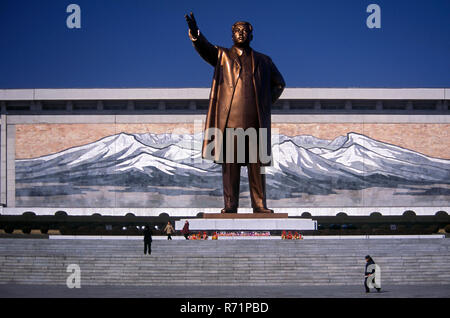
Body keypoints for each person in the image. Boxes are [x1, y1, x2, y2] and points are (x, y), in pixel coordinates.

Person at [185, 13, 285, 214]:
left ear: (251, 35)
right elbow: (205, 49)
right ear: (232, 36)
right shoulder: (222, 56)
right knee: (230, 166)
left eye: (244, 30)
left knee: (257, 167)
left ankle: (259, 204)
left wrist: (265, 103)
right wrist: (196, 34)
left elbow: (280, 83)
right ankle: (230, 205)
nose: (241, 33)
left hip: (255, 121)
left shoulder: (264, 61)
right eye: (236, 31)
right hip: (230, 121)